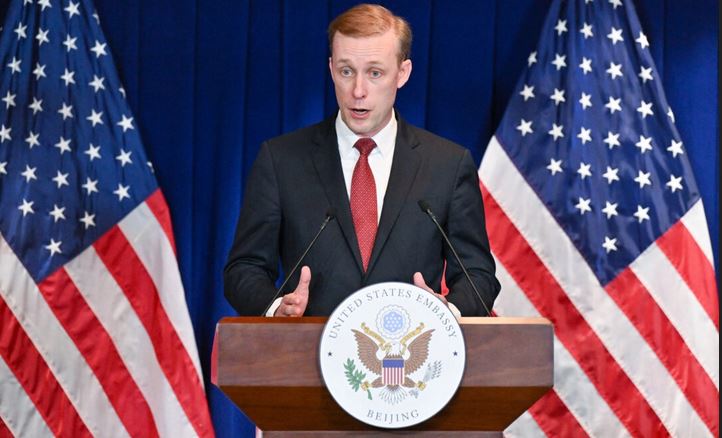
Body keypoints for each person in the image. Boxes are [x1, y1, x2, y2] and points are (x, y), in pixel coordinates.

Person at [224, 4, 500, 317]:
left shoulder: (447, 165)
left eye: (375, 73)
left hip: (412, 352)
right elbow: (243, 269)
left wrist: (447, 311)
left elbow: (478, 275)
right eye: (346, 71)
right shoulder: (281, 160)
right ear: (331, 69)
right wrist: (277, 308)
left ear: (402, 73)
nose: (358, 90)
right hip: (307, 355)